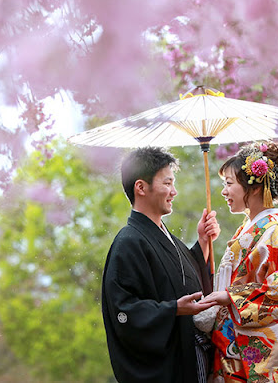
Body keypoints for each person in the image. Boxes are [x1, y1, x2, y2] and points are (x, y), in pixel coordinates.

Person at [196, 141, 278, 382]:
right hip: (233, 346)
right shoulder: (248, 230)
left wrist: (232, 297)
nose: (224, 192)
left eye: (229, 184)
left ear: (255, 189)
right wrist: (205, 242)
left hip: (264, 352)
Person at [101, 146, 221, 383]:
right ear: (141, 187)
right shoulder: (128, 242)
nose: (174, 192)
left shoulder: (164, 237)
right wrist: (173, 309)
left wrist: (203, 243)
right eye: (167, 184)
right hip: (171, 367)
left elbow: (184, 280)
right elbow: (124, 311)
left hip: (192, 354)